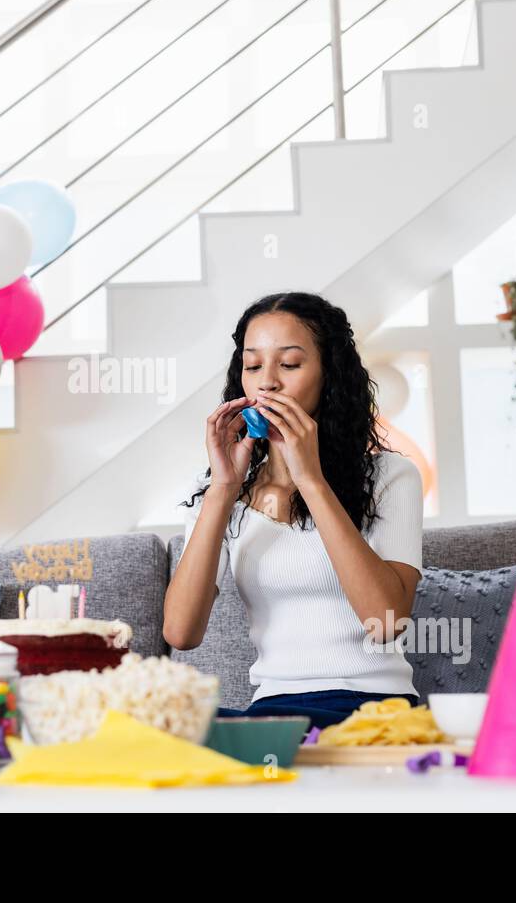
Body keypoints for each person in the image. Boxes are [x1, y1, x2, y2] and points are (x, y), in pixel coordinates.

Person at [164, 291, 424, 731]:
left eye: (288, 364)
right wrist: (223, 489)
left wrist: (311, 480)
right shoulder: (219, 487)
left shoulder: (390, 475)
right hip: (276, 712)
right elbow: (181, 633)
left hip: (372, 710)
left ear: (329, 376)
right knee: (161, 731)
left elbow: (386, 622)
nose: (267, 382)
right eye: (252, 366)